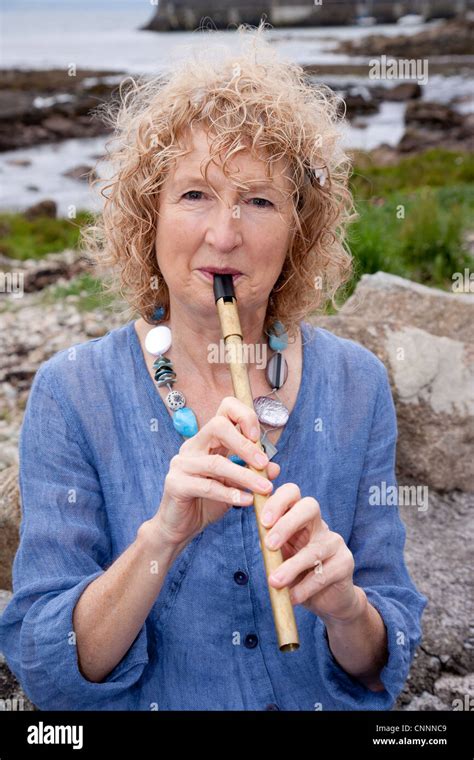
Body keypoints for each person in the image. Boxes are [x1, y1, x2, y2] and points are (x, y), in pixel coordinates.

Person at [0, 24, 427, 711]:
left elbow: (382, 667)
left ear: (299, 228)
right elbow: (50, 676)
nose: (224, 236)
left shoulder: (356, 385)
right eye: (194, 194)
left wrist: (347, 608)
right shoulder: (72, 392)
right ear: (149, 214)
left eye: (258, 200)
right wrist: (163, 536)